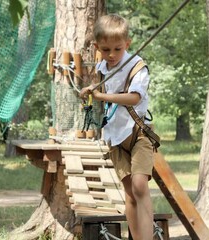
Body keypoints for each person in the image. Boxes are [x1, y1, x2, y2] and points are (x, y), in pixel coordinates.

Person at [80, 14, 154, 240]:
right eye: (106, 49)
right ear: (96, 47)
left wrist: (101, 95)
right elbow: (104, 85)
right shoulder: (102, 67)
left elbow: (134, 98)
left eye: (117, 49)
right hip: (114, 136)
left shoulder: (137, 66)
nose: (111, 55)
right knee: (130, 192)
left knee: (140, 186)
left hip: (138, 133)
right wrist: (92, 89)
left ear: (127, 45)